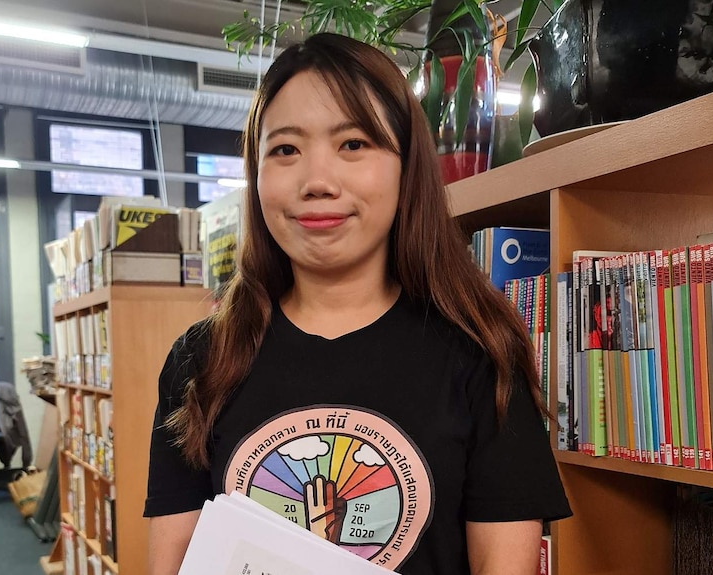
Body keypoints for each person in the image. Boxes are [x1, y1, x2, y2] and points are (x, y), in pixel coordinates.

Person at [145, 32, 571, 575]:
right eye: (285, 150)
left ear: (405, 166)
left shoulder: (479, 352)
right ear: (256, 178)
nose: (317, 181)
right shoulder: (200, 362)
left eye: (353, 144)